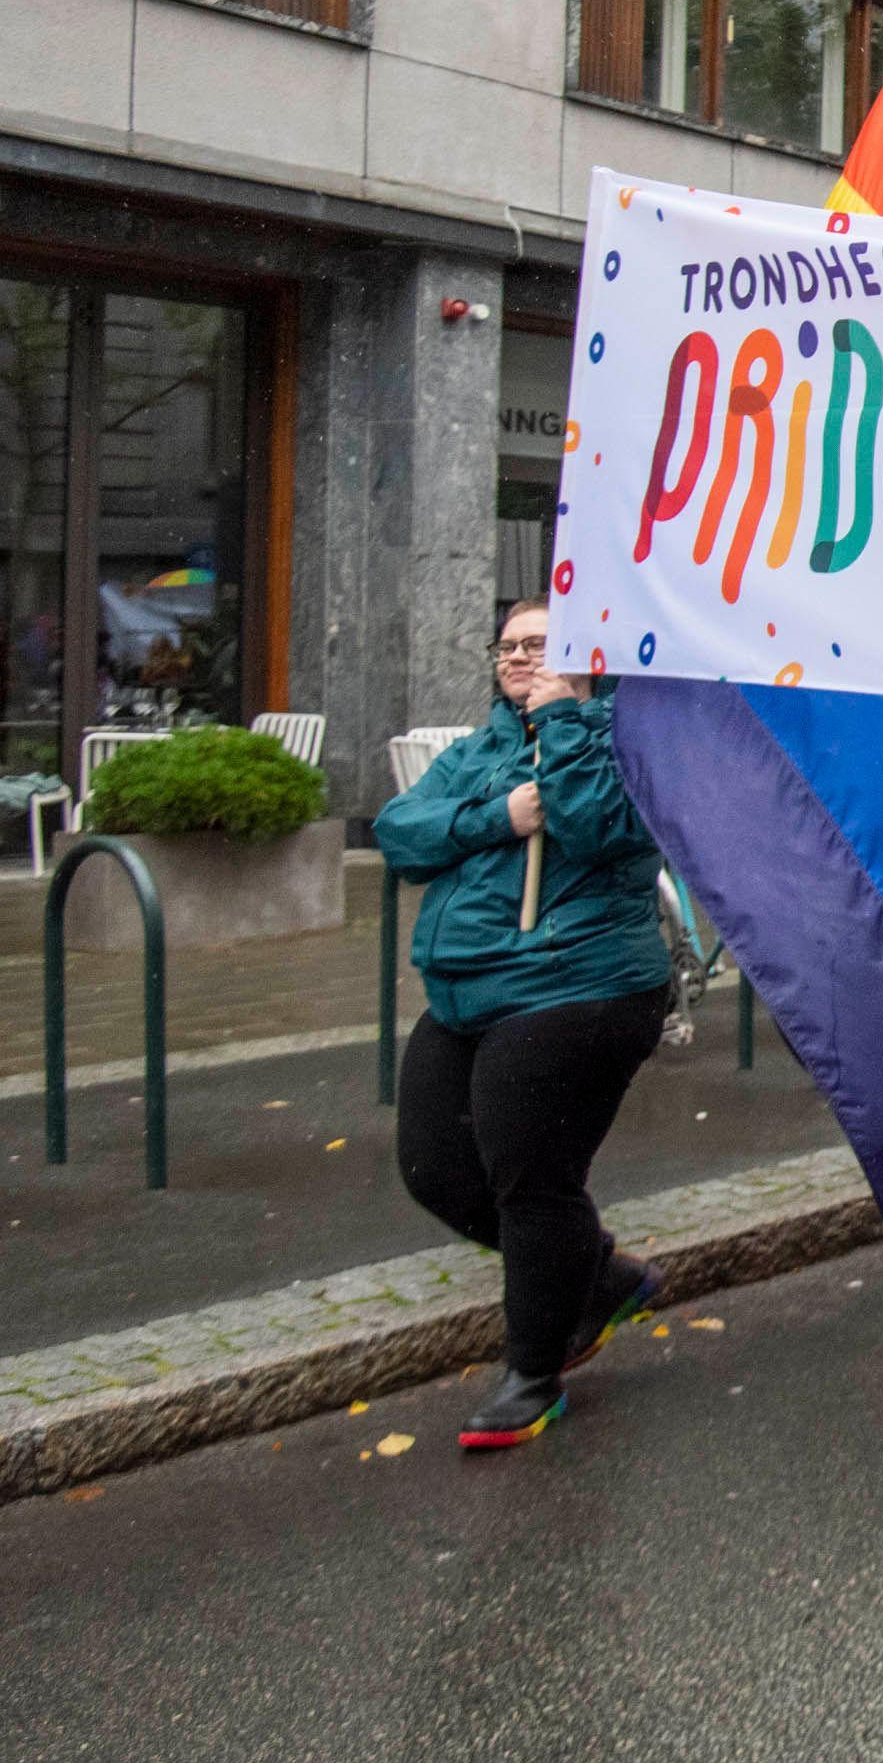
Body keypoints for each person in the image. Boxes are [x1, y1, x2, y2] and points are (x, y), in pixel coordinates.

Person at [379, 601, 678, 1452]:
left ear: (584, 650)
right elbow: (401, 832)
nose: (518, 657)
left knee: (531, 1178)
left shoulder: (629, 733)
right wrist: (496, 817)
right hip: (466, 992)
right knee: (433, 1165)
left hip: (575, 989)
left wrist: (564, 717)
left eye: (538, 644)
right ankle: (598, 1275)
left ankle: (533, 1373)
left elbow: (596, 825)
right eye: (507, 645)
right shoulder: (484, 747)